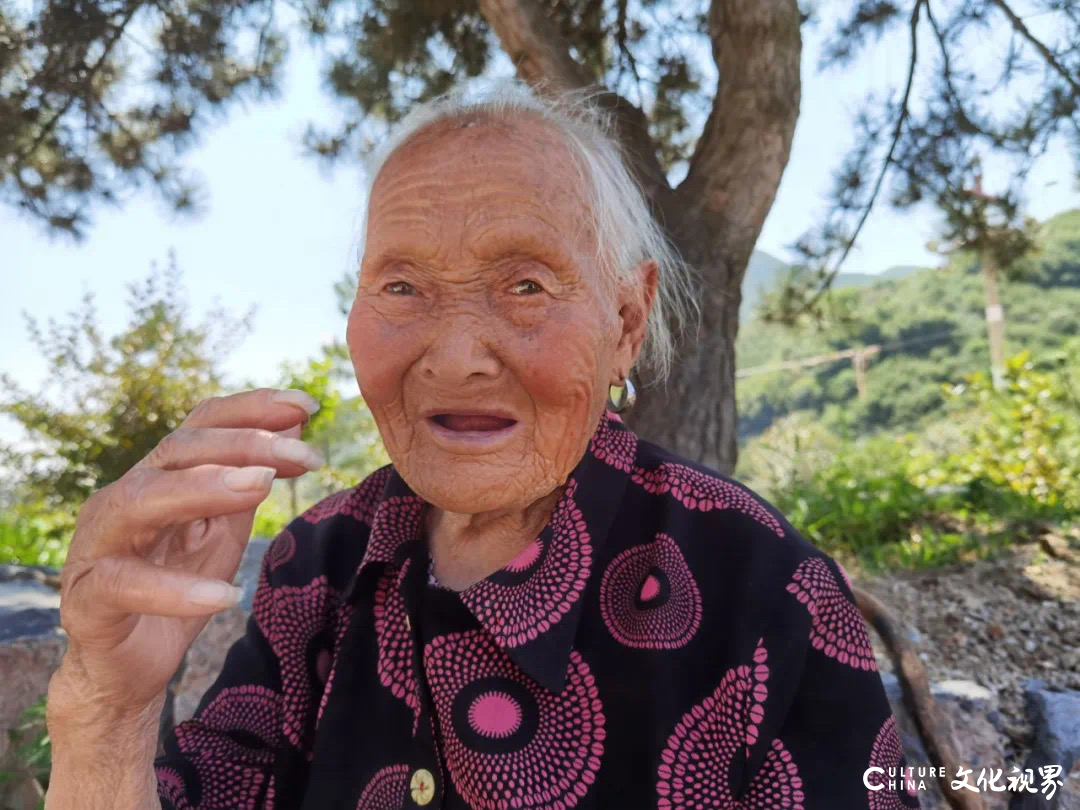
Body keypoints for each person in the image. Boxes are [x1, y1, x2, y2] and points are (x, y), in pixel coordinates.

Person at [43, 80, 920, 810]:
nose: (456, 359)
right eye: (401, 285)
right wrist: (106, 710)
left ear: (625, 321)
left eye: (526, 285)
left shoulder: (763, 589)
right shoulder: (314, 568)